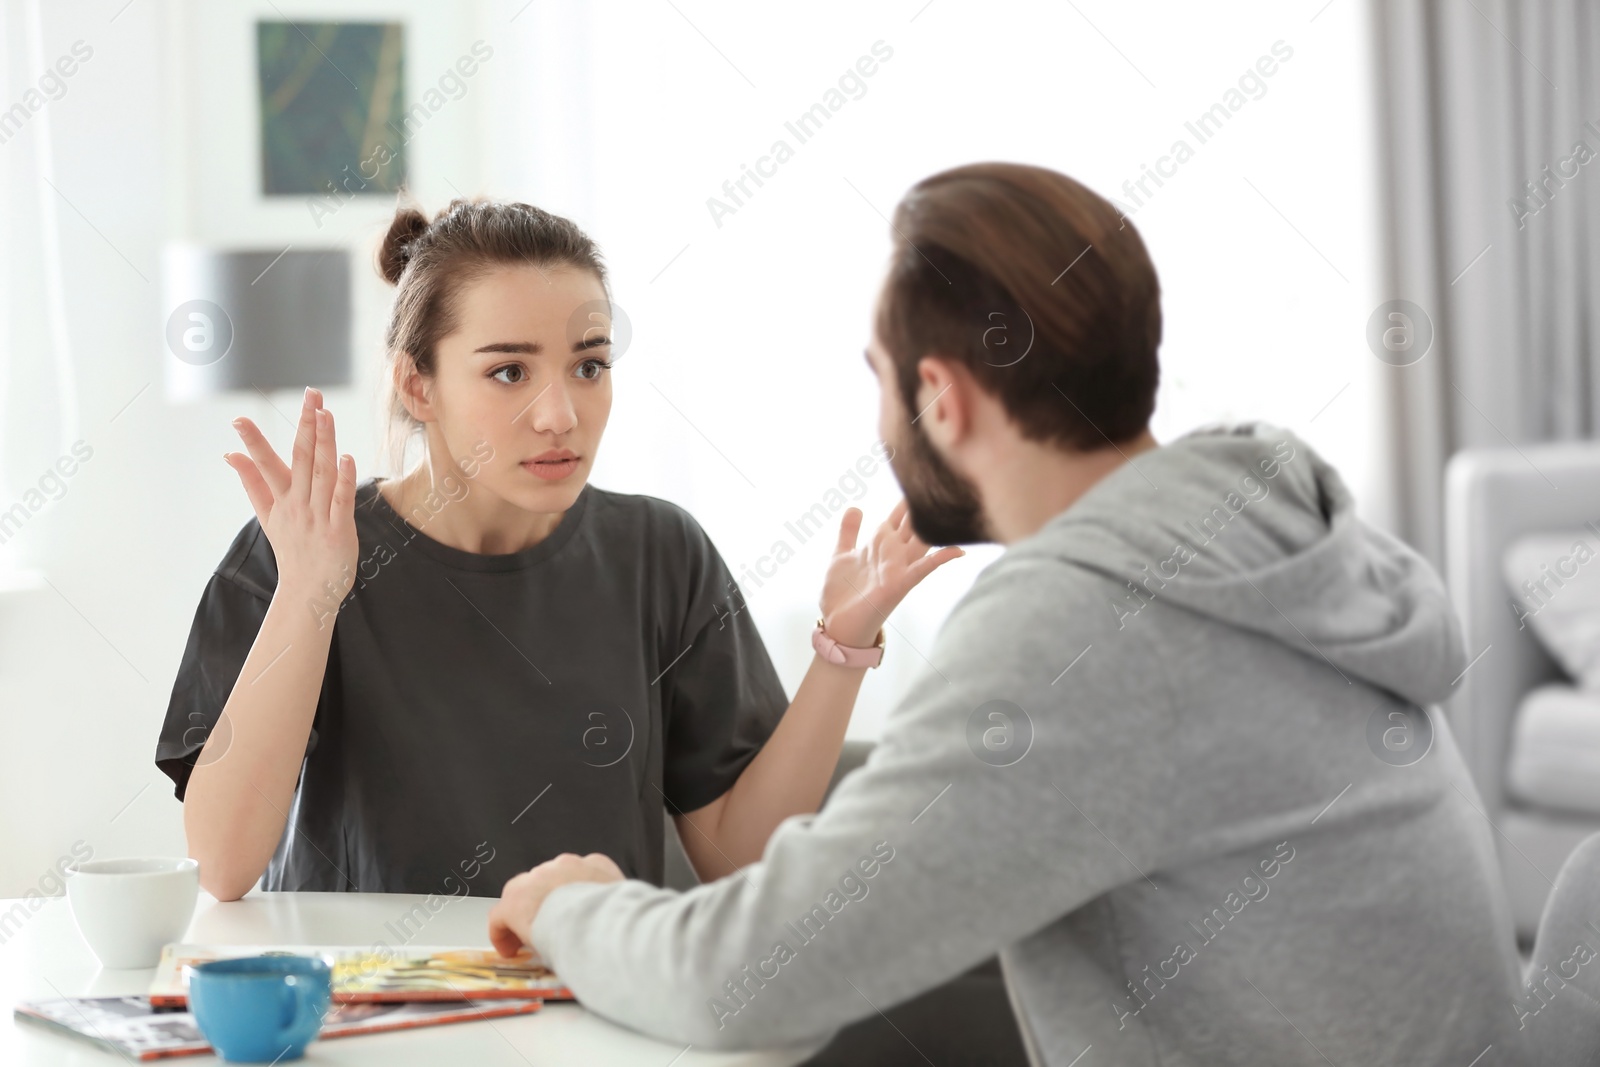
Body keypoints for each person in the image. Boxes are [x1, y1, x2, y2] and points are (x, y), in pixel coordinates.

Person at [481, 163, 1564, 1065]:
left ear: (942, 396)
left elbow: (746, 981)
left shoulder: (1083, 629)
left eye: (879, 377)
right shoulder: (1264, 541)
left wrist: (572, 906)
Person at [154, 197, 963, 903]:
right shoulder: (299, 552)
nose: (560, 415)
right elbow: (222, 863)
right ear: (417, 384)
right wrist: (312, 592)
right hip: (370, 1016)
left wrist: (843, 646)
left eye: (588, 365)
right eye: (509, 372)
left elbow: (738, 855)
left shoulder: (659, 552)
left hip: (593, 1003)